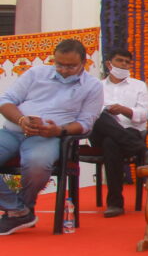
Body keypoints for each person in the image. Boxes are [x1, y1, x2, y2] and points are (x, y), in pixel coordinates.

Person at [0, 38, 103, 235]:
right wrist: (21, 119)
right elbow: (5, 100)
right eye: (59, 64)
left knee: (37, 163)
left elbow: (85, 123)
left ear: (84, 62)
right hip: (13, 130)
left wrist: (59, 131)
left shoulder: (92, 87)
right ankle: (19, 210)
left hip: (48, 136)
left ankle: (21, 210)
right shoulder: (36, 73)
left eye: (70, 66)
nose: (63, 70)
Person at [92, 48, 148, 217]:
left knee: (111, 143)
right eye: (120, 61)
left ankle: (115, 204)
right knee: (98, 116)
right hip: (100, 131)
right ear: (109, 64)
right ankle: (142, 150)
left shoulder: (138, 86)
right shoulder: (97, 86)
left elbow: (144, 115)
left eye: (127, 62)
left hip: (129, 131)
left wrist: (124, 110)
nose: (123, 64)